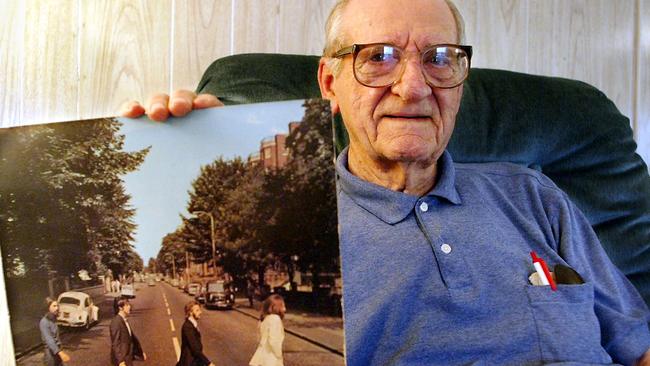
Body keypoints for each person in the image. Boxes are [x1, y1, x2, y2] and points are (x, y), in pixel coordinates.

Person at [121, 1, 650, 365]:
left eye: (440, 58)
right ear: (330, 82)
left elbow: (635, 342)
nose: (414, 86)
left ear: (461, 81)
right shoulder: (303, 219)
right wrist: (183, 139)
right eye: (379, 57)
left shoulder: (534, 195)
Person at [249, 294, 286, 366]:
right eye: (282, 306)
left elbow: (259, 338)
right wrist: (279, 355)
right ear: (275, 307)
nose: (285, 309)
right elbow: (273, 341)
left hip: (260, 358)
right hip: (270, 360)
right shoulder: (275, 319)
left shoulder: (264, 319)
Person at [176, 301, 215, 366]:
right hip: (189, 363)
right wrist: (209, 363)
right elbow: (195, 349)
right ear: (190, 312)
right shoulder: (188, 327)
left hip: (195, 362)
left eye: (199, 310)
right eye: (197, 310)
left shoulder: (192, 325)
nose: (200, 312)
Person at [110, 298, 146, 366]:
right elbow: (116, 343)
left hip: (127, 358)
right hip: (122, 360)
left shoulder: (123, 320)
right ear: (120, 308)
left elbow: (132, 338)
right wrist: (120, 361)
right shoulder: (116, 322)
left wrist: (140, 353)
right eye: (127, 305)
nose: (130, 306)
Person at [39, 298, 70, 366]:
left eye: (57, 306)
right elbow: (49, 340)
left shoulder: (53, 319)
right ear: (48, 308)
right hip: (50, 355)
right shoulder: (44, 322)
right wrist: (60, 353)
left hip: (57, 352)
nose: (57, 308)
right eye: (54, 306)